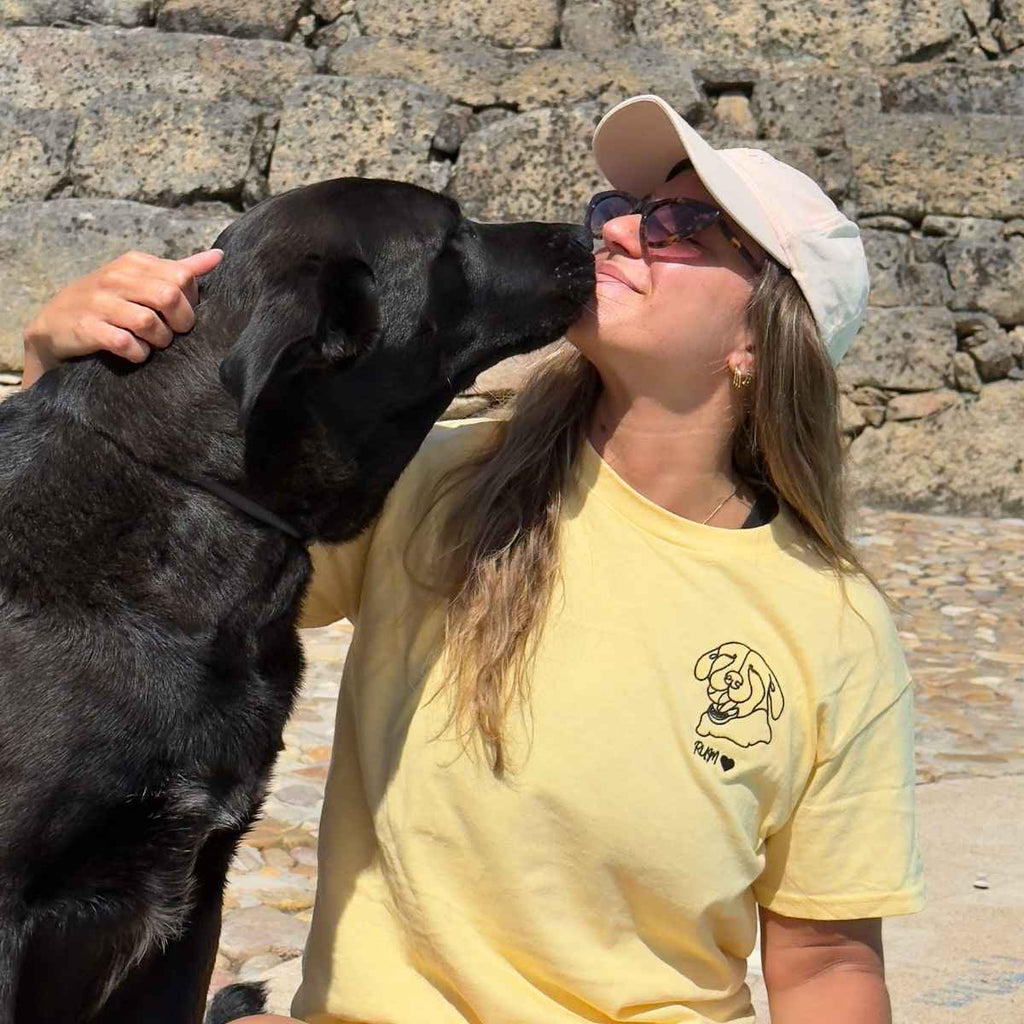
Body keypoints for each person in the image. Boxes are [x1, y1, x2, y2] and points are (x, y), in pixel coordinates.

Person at [22, 95, 924, 1024]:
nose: (619, 232)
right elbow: (109, 596)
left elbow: (828, 971)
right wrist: (57, 363)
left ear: (759, 340)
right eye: (620, 209)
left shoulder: (833, 625)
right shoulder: (428, 484)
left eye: (685, 225)